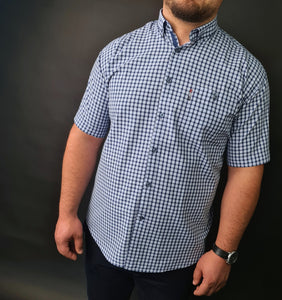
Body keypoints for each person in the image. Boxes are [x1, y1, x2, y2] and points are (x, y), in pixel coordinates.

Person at [54, 0, 270, 299]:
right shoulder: (117, 52)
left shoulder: (248, 75)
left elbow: (245, 170)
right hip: (103, 238)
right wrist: (67, 214)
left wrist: (223, 252)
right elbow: (85, 137)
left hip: (177, 257)